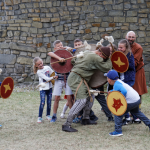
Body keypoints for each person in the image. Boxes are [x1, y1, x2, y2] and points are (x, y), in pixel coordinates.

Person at [62, 46, 112, 132]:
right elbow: (107, 67)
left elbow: (73, 60)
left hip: (80, 78)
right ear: (100, 54)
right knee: (81, 101)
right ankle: (67, 124)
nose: (103, 59)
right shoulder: (96, 57)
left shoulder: (86, 52)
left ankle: (85, 119)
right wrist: (109, 58)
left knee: (91, 96)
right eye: (103, 57)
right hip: (77, 79)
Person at [106, 69, 150, 136]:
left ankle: (118, 131)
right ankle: (149, 123)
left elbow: (124, 91)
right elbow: (117, 90)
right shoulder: (119, 82)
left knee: (118, 112)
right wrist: (112, 91)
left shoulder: (116, 84)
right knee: (137, 112)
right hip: (136, 99)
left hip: (131, 101)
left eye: (107, 78)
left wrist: (119, 99)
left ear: (109, 80)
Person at [48, 40, 73, 122]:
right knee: (57, 98)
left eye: (61, 45)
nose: (60, 47)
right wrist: (59, 58)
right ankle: (54, 115)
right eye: (58, 46)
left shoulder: (66, 51)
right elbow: (49, 53)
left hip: (67, 78)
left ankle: (72, 115)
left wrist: (67, 48)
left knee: (69, 98)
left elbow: (73, 50)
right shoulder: (54, 55)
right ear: (55, 48)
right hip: (59, 79)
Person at [126, 31, 148, 123]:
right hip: (127, 70)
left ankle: (136, 111)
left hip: (137, 71)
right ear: (126, 37)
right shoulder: (124, 45)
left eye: (132, 37)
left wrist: (123, 64)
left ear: (135, 38)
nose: (130, 39)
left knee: (137, 91)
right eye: (129, 37)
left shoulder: (138, 48)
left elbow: (134, 63)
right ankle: (130, 111)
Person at [60, 39, 83, 119]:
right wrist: (67, 48)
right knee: (70, 98)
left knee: (79, 98)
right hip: (71, 78)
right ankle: (68, 113)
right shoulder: (71, 52)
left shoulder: (84, 52)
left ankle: (78, 114)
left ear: (82, 44)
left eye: (79, 44)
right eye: (76, 45)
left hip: (80, 77)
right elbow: (65, 50)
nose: (77, 46)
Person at [33, 57, 57, 123]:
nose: (40, 65)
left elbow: (53, 73)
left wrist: (55, 76)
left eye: (41, 63)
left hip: (49, 88)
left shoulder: (47, 67)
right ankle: (39, 117)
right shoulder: (38, 72)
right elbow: (46, 78)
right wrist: (53, 77)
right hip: (43, 89)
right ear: (36, 66)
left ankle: (48, 115)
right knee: (42, 102)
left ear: (42, 62)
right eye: (38, 64)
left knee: (49, 102)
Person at [118, 39, 136, 124]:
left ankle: (133, 118)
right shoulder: (118, 54)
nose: (120, 49)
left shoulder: (129, 55)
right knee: (123, 98)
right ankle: (129, 117)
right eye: (119, 47)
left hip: (128, 79)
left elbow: (132, 66)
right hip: (121, 79)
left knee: (127, 99)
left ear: (126, 47)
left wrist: (123, 63)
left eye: (121, 47)